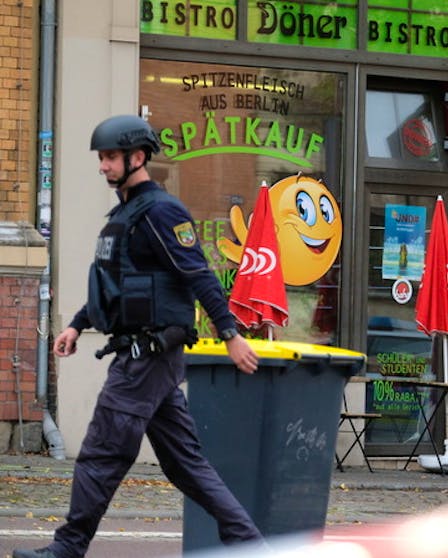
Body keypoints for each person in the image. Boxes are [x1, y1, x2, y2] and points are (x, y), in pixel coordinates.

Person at [14, 115, 264, 558]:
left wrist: (230, 333)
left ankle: (68, 548)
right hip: (149, 357)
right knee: (185, 464)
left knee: (101, 453)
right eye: (102, 158)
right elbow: (116, 286)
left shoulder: (161, 212)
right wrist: (76, 324)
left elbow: (199, 275)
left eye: (110, 157)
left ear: (137, 157)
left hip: (146, 357)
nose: (103, 166)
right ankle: (250, 544)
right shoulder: (124, 216)